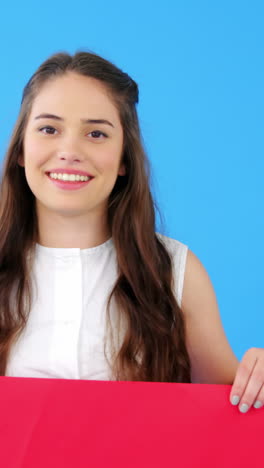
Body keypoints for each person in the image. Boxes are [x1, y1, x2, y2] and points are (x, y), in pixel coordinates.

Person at [0, 51, 263, 414]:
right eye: (49, 129)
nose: (69, 151)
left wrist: (258, 379)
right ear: (21, 150)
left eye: (96, 133)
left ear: (124, 158)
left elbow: (236, 409)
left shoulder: (175, 272)